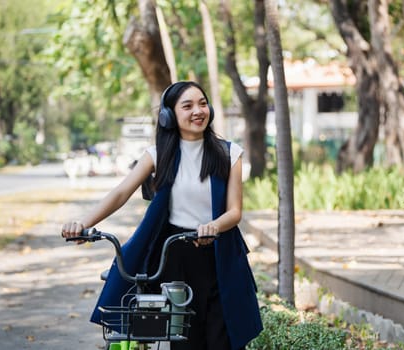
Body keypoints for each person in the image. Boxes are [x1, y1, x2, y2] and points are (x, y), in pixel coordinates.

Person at [61, 81, 262, 350]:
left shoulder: (229, 153)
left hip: (220, 253)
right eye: (187, 106)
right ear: (169, 115)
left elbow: (235, 211)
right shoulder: (157, 156)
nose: (198, 111)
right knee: (184, 340)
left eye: (202, 104)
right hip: (174, 255)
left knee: (221, 339)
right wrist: (83, 224)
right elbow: (121, 193)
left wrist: (213, 226)